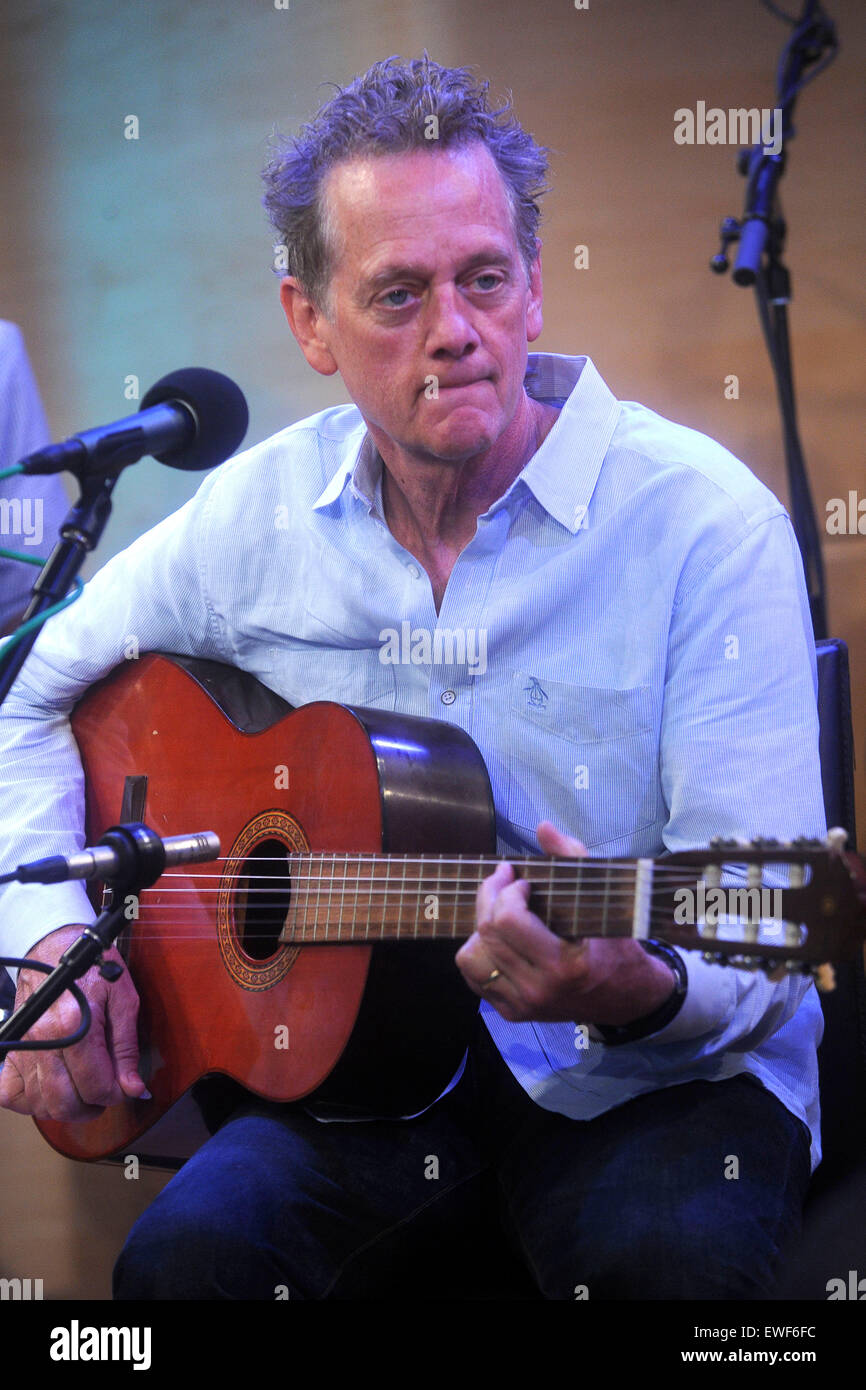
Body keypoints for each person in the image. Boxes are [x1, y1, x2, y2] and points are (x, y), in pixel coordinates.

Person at [0, 55, 825, 1300]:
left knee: (667, 1280)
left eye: (483, 278)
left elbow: (760, 922)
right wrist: (49, 935)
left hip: (655, 1087)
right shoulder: (257, 518)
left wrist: (641, 987)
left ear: (535, 287)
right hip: (351, 1079)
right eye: (395, 294)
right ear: (308, 322)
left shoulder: (705, 529)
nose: (454, 329)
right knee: (181, 1270)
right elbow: (31, 688)